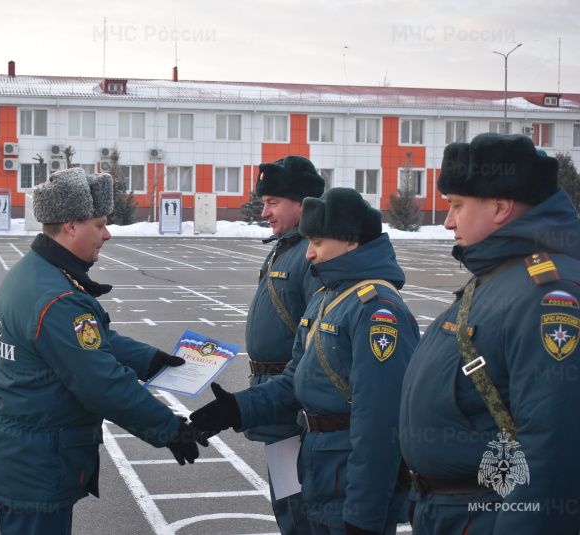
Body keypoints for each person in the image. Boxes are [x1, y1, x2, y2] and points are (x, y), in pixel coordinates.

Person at [0, 167, 208, 534]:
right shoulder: (58, 297)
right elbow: (100, 382)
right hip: (38, 462)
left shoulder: (36, 272)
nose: (107, 234)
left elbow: (89, 341)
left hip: (23, 453)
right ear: (71, 225)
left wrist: (148, 360)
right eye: (100, 224)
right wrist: (169, 429)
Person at [192, 187, 420, 535]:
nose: (309, 254)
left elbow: (380, 424)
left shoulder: (376, 309)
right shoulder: (329, 297)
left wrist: (364, 513)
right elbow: (296, 380)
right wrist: (238, 408)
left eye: (317, 242)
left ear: (350, 242)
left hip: (349, 483)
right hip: (319, 473)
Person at [399, 133, 580, 534]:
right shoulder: (499, 277)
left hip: (486, 516)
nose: (447, 221)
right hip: (449, 512)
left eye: (457, 206)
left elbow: (552, 448)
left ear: (500, 207)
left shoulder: (548, 293)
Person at [245, 155, 325, 535]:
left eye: (273, 202)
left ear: (303, 204)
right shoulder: (286, 246)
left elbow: (319, 340)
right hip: (276, 403)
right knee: (289, 507)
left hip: (293, 407)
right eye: (264, 202)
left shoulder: (311, 254)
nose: (265, 212)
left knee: (299, 513)